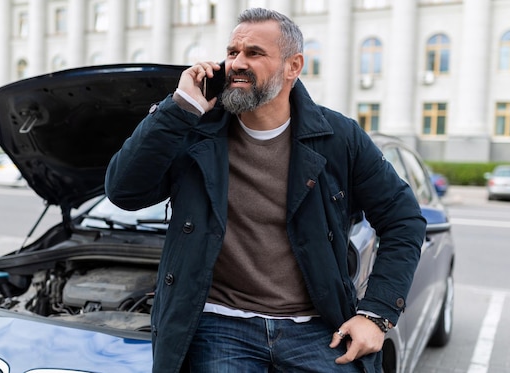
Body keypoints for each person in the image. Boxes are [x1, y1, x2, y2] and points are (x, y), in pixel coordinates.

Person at [105, 7, 426, 373]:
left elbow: (403, 220)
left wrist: (377, 314)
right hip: (220, 326)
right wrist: (177, 108)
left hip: (316, 329)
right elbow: (123, 192)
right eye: (231, 52)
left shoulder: (339, 138)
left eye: (254, 53)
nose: (236, 63)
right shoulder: (195, 130)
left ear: (294, 66)